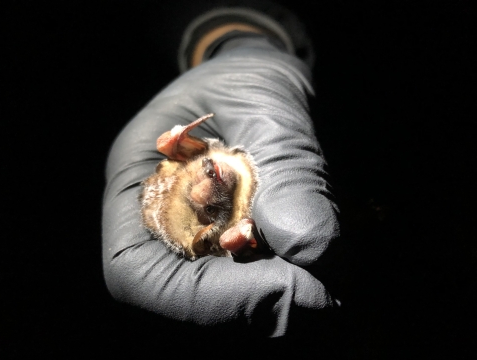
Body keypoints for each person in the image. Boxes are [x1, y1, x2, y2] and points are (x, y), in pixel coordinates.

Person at [102, 5, 340, 340]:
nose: (209, 183)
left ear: (189, 154)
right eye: (210, 208)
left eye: (198, 176)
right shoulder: (234, 227)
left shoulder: (193, 151)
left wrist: (231, 39)